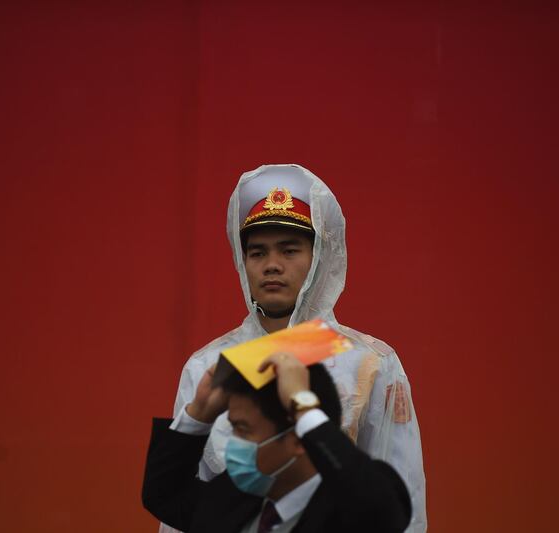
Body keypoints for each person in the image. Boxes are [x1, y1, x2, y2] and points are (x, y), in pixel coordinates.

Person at [168, 164, 426, 532]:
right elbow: (180, 504)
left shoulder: (369, 363)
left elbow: (404, 497)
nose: (272, 265)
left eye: (289, 251)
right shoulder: (209, 367)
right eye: (257, 253)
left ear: (318, 257)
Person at [142, 353, 412, 532]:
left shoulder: (348, 510)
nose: (233, 443)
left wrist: (302, 405)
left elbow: (380, 509)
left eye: (243, 430)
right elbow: (165, 494)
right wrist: (200, 412)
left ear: (297, 439)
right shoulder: (235, 499)